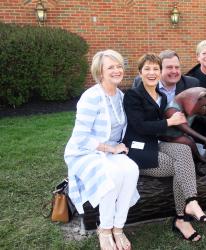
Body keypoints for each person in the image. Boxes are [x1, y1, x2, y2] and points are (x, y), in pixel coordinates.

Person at [123, 53, 206, 242]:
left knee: (185, 150)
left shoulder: (162, 96)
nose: (152, 72)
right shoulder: (132, 95)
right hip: (139, 149)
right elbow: (140, 126)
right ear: (140, 72)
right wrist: (169, 122)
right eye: (147, 69)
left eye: (155, 68)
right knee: (181, 168)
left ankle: (190, 204)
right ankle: (183, 216)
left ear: (160, 72)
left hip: (156, 143)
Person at [64, 49, 140, 250]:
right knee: (112, 175)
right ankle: (104, 230)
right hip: (84, 151)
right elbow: (81, 137)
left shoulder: (120, 95)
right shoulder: (91, 97)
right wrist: (110, 148)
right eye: (110, 67)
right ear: (100, 72)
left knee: (132, 169)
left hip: (110, 151)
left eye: (118, 66)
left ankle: (118, 227)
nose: (116, 70)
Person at [132, 50, 199, 103]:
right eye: (169, 67)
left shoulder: (191, 84)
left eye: (177, 67)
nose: (174, 71)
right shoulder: (142, 82)